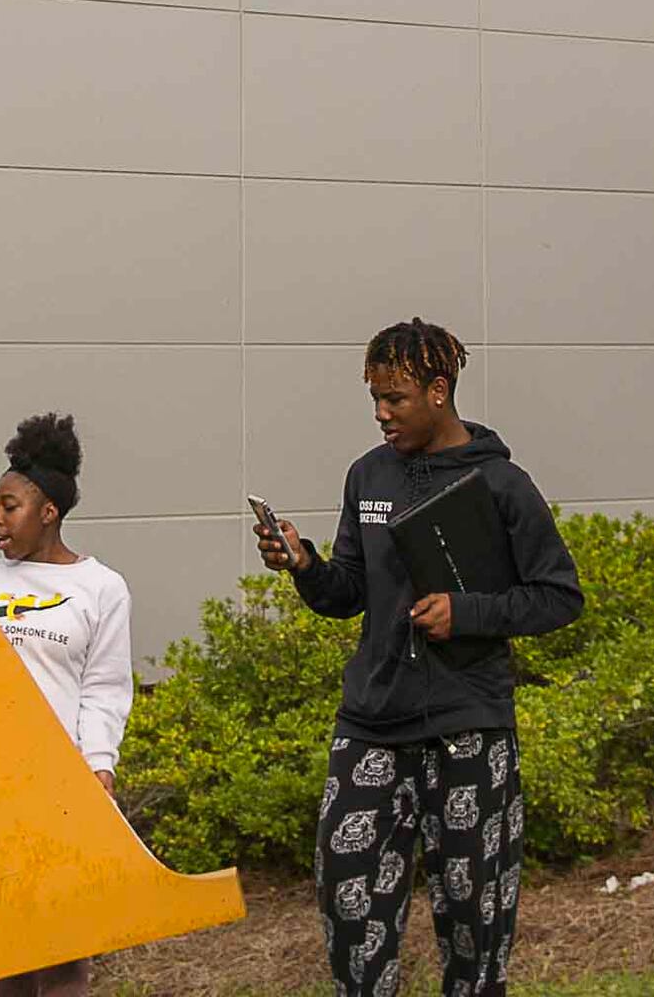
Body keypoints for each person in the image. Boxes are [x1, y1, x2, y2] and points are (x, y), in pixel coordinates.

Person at [253, 320, 580, 997]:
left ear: (438, 391)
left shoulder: (501, 483)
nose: (380, 414)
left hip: (469, 724)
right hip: (372, 719)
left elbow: (558, 596)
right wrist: (305, 563)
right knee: (349, 905)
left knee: (471, 914)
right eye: (374, 398)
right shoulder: (367, 476)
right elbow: (348, 593)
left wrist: (470, 613)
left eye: (394, 398)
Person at [0, 413, 134, 997]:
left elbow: (105, 687)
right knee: (5, 947)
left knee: (61, 951)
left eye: (9, 507)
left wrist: (99, 764)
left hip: (60, 787)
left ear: (48, 512)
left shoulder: (101, 588)